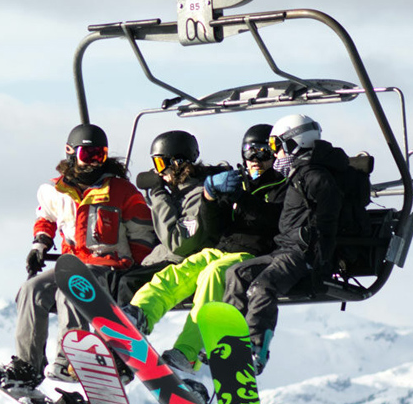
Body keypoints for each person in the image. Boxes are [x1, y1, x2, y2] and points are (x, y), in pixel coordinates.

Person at [0, 123, 157, 388]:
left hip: (109, 267)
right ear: (71, 153)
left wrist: (136, 271)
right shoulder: (54, 191)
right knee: (31, 289)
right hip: (72, 263)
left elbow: (142, 233)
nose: (93, 163)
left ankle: (72, 359)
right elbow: (45, 217)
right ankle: (28, 365)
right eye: (87, 155)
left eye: (99, 156)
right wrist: (40, 244)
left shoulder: (121, 191)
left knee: (72, 285)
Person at [122, 124, 289, 374]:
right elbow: (214, 225)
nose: (255, 159)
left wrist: (241, 199)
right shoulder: (238, 181)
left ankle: (187, 353)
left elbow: (275, 221)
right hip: (223, 247)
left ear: (275, 154)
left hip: (254, 253)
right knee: (178, 272)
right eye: (249, 152)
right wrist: (211, 198)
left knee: (213, 275)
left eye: (263, 152)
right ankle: (140, 313)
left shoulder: (282, 187)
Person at [222, 114, 350, 373]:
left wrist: (320, 261)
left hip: (302, 254)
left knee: (262, 286)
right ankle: (228, 339)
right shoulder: (300, 172)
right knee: (236, 273)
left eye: (276, 146)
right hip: (285, 249)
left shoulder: (316, 176)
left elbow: (328, 221)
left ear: (294, 143)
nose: (275, 153)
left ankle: (256, 347)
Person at [134, 130, 226, 267]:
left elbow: (178, 242)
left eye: (160, 164)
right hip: (163, 260)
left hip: (184, 265)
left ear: (176, 163)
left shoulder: (198, 197)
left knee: (126, 283)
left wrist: (157, 192)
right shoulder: (177, 193)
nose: (158, 172)